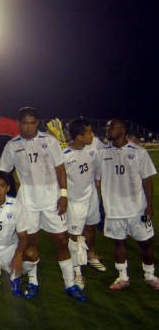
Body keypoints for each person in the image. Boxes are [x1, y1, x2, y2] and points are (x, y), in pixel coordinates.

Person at [0, 107, 86, 301]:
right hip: (28, 201)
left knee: (61, 241)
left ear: (36, 122)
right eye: (24, 123)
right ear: (18, 123)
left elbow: (60, 169)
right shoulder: (12, 145)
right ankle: (33, 282)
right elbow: (3, 172)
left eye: (31, 123)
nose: (28, 127)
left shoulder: (49, 141)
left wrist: (63, 194)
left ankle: (70, 284)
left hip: (52, 199)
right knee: (30, 243)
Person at [94, 118, 159, 291]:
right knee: (118, 244)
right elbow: (97, 181)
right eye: (107, 127)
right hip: (113, 209)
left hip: (137, 208)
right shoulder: (102, 153)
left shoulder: (138, 152)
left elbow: (147, 180)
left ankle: (150, 276)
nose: (108, 130)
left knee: (145, 243)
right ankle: (122, 277)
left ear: (122, 129)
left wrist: (149, 206)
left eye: (111, 127)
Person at [63, 118, 104, 290]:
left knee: (91, 226)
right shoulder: (64, 156)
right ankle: (76, 271)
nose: (92, 135)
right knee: (74, 237)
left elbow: (97, 169)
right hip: (74, 201)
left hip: (91, 197)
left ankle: (90, 255)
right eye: (88, 132)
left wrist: (97, 181)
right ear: (79, 136)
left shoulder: (92, 149)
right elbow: (60, 180)